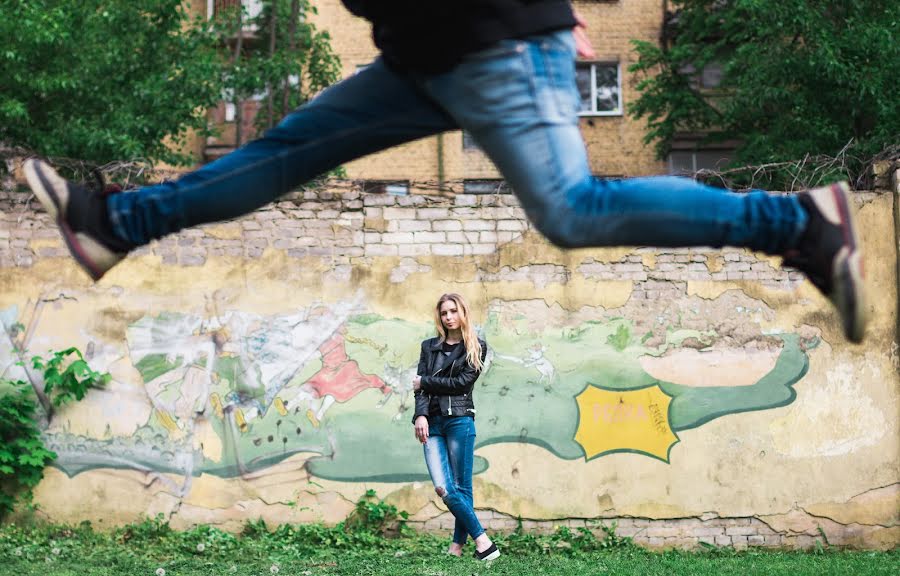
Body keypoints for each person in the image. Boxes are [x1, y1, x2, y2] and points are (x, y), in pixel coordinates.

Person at [22, 1, 865, 343]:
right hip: (428, 55)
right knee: (285, 152)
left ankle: (799, 224)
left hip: (491, 44)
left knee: (572, 210)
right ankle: (115, 222)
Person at [412, 292, 498, 560]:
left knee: (460, 488)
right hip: (432, 423)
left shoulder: (476, 346)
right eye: (444, 313)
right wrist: (420, 415)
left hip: (460, 420)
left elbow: (461, 383)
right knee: (444, 487)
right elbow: (419, 391)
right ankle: (484, 542)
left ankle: (459, 547)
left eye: (453, 311)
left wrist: (424, 382)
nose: (448, 317)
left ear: (463, 313)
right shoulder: (429, 347)